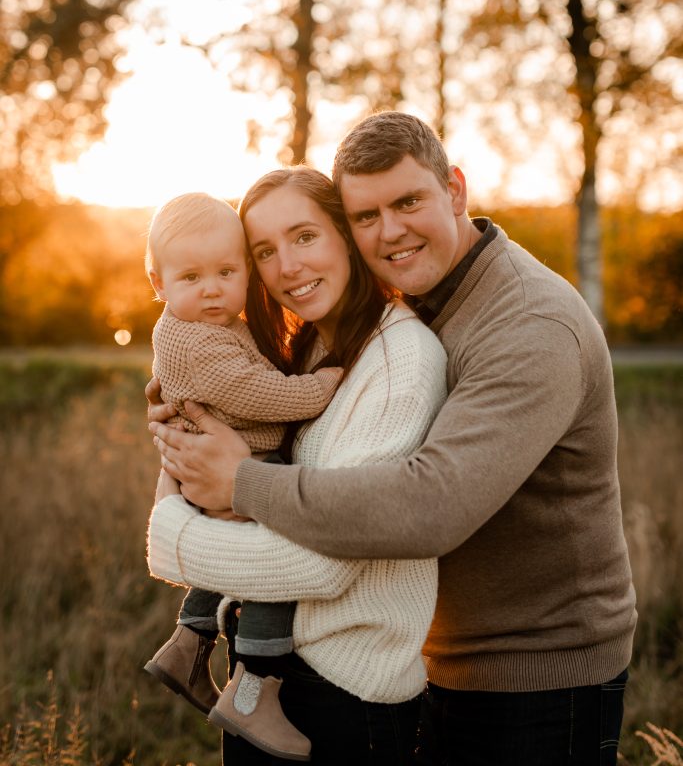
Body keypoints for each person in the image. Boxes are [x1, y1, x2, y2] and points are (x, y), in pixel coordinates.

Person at [149, 112, 637, 766]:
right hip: (430, 658)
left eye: (407, 202)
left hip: (535, 670)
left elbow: (425, 508)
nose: (389, 232)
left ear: (455, 191)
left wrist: (190, 516)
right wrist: (182, 431)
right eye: (366, 215)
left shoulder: (527, 325)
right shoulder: (348, 329)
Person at [147, 167, 448, 765]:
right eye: (264, 251)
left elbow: (323, 564)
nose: (286, 266)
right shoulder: (308, 346)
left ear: (346, 236)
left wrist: (169, 529)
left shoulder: (400, 362)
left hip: (345, 694)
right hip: (272, 670)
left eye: (305, 236)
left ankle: (192, 635)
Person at [143, 191, 344, 760]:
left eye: (226, 272)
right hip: (242, 465)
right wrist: (327, 384)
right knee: (270, 571)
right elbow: (260, 393)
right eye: (191, 276)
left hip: (227, 458)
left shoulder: (213, 324)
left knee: (237, 558)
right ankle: (254, 690)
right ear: (156, 282)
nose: (212, 289)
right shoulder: (194, 341)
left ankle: (187, 645)